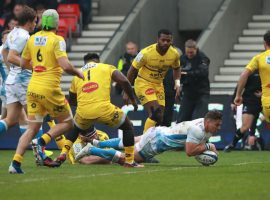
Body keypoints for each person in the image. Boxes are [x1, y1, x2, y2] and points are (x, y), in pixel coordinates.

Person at [8, 9, 84, 174]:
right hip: (49, 89)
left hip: (33, 88)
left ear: (42, 22)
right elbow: (64, 65)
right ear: (56, 23)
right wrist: (77, 72)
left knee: (32, 128)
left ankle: (15, 163)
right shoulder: (57, 40)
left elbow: (23, 63)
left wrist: (38, 67)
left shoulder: (33, 38)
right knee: (67, 123)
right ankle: (41, 142)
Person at [55, 52, 142, 168]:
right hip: (104, 108)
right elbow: (124, 81)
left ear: (85, 62)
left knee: (75, 129)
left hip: (84, 111)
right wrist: (132, 99)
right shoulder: (106, 67)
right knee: (128, 126)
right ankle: (130, 161)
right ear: (98, 60)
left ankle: (63, 154)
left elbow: (72, 101)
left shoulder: (77, 75)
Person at [75, 110, 222, 165]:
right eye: (217, 125)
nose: (218, 128)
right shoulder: (198, 130)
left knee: (126, 142)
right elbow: (190, 151)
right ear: (208, 121)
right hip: (157, 142)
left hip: (159, 132)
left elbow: (197, 145)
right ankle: (91, 150)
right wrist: (209, 147)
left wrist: (206, 148)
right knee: (127, 158)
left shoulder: (204, 123)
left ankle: (95, 142)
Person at [124, 29, 181, 133]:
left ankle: (150, 141)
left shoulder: (174, 54)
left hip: (159, 85)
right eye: (163, 40)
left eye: (168, 41)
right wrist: (127, 91)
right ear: (157, 39)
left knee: (159, 118)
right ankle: (143, 142)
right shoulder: (145, 53)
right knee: (156, 113)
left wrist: (177, 83)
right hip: (143, 83)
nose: (165, 43)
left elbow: (176, 68)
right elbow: (132, 70)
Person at [0, 5, 36, 139]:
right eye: (35, 21)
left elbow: (4, 51)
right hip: (23, 82)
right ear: (28, 22)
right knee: (35, 119)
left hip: (12, 81)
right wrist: (33, 67)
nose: (35, 24)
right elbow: (11, 56)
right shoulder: (24, 36)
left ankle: (40, 153)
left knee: (11, 119)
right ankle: (41, 154)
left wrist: (11, 71)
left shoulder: (12, 33)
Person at [234, 31, 270, 124]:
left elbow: (244, 75)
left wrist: (238, 95)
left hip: (267, 102)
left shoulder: (259, 58)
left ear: (265, 43)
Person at [224, 70, 262, 152]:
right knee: (245, 126)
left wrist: (265, 93)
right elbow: (239, 85)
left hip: (266, 99)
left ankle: (252, 137)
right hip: (250, 101)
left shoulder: (266, 72)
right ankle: (233, 144)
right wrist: (234, 100)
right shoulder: (249, 73)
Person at [177, 39, 210, 123]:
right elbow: (177, 73)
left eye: (191, 53)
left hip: (201, 93)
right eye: (187, 52)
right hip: (188, 92)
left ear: (196, 49)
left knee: (200, 119)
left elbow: (203, 72)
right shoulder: (182, 58)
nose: (189, 55)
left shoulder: (203, 58)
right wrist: (178, 85)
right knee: (182, 119)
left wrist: (187, 73)